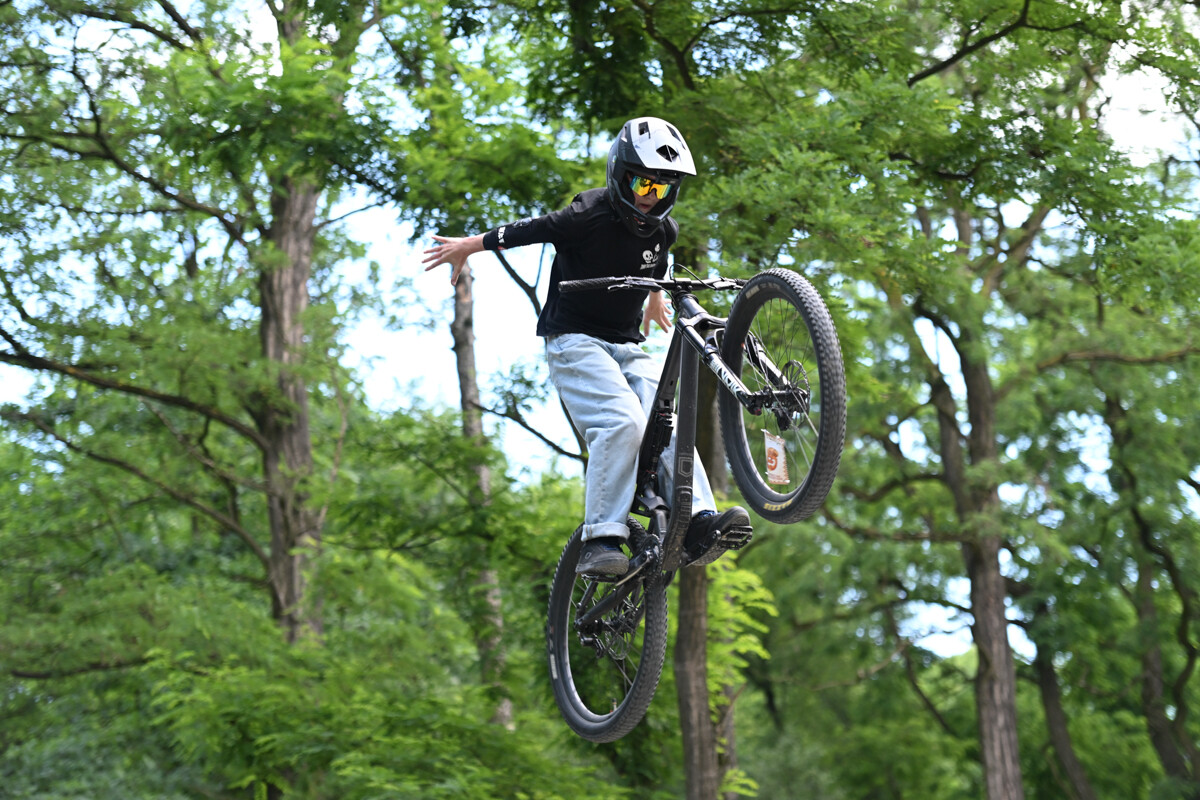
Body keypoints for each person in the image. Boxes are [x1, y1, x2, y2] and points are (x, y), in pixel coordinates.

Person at [421, 116, 749, 576]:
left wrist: (656, 298)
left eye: (659, 189)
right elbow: (530, 229)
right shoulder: (586, 214)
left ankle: (697, 519)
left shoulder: (663, 231)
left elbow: (657, 262)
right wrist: (471, 246)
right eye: (641, 184)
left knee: (669, 419)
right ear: (620, 175)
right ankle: (601, 539)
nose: (648, 196)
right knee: (623, 422)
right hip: (575, 341)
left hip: (626, 344)